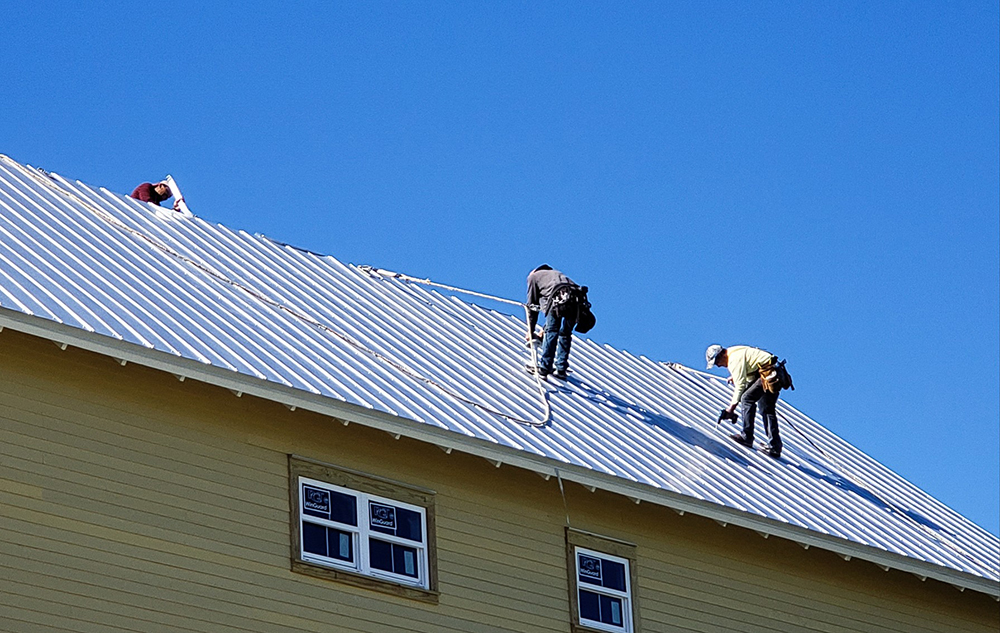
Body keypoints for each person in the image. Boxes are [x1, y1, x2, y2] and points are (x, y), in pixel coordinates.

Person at [706, 344, 784, 458]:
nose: (718, 365)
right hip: (774, 373)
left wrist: (731, 409)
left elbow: (740, 386)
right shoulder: (734, 351)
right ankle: (775, 447)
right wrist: (736, 376)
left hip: (768, 374)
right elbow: (750, 368)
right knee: (767, 409)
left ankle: (747, 436)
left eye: (717, 361)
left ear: (721, 355)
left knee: (746, 399)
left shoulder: (733, 359)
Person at [525, 265, 582, 380]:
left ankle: (544, 367)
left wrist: (530, 331)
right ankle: (561, 369)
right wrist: (543, 330)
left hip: (557, 299)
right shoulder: (556, 275)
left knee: (552, 331)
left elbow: (532, 307)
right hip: (576, 301)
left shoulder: (533, 277)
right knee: (565, 334)